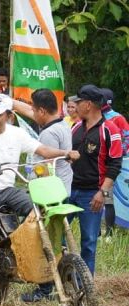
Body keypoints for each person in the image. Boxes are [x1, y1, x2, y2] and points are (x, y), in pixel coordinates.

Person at [0, 94, 80, 306]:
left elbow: (43, 150)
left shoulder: (17, 134)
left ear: (9, 116)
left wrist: (65, 153)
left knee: (41, 213)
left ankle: (38, 260)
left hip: (9, 190)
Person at [12, 88, 75, 302]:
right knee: (57, 238)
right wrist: (9, 102)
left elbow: (46, 167)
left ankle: (45, 288)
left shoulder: (48, 133)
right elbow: (27, 110)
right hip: (63, 188)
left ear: (41, 110)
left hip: (48, 193)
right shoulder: (62, 123)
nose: (31, 111)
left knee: (44, 241)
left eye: (33, 108)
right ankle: (61, 282)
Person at [70, 85, 122, 275]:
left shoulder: (110, 129)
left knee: (89, 242)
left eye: (78, 102)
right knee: (56, 237)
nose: (75, 105)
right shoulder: (75, 126)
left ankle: (85, 287)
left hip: (92, 194)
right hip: (68, 191)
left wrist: (102, 193)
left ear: (88, 104)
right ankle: (55, 283)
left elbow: (114, 165)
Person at [100, 88, 129, 237]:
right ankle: (97, 231)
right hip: (95, 165)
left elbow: (126, 139)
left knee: (108, 197)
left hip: (111, 167)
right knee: (97, 196)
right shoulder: (95, 117)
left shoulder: (117, 118)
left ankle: (109, 233)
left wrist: (116, 156)